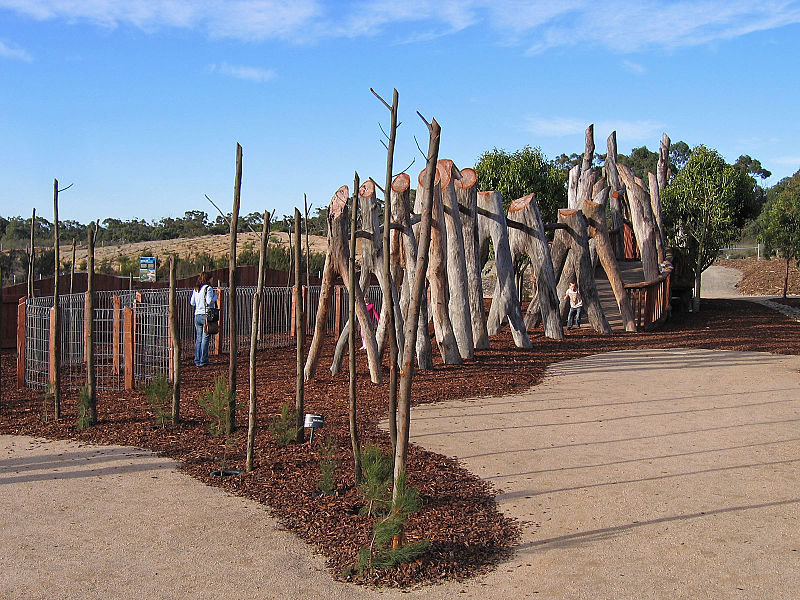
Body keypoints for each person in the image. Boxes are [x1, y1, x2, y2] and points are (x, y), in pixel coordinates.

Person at [190, 272, 218, 366]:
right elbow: (209, 301)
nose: (212, 280)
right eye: (211, 279)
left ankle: (197, 360)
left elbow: (192, 302)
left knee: (199, 339)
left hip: (197, 315)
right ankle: (204, 360)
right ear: (208, 279)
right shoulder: (208, 288)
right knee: (205, 338)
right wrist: (216, 296)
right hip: (206, 315)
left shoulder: (196, 289)